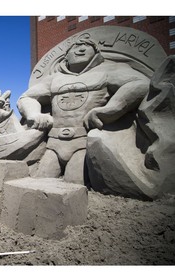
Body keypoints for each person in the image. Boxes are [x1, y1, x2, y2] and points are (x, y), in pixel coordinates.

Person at [17, 37, 150, 184]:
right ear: (66, 56)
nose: (80, 49)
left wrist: (111, 109)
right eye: (75, 47)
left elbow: (140, 84)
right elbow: (26, 97)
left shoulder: (108, 71)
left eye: (87, 46)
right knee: (39, 182)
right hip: (53, 144)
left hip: (83, 144)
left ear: (96, 52)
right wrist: (34, 114)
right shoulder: (54, 78)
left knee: (74, 183)